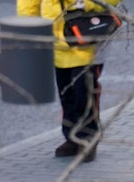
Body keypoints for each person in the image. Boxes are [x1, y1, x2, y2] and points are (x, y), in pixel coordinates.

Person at [17, 0, 118, 161]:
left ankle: (88, 138)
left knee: (84, 91)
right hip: (58, 37)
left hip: (85, 33)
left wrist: (85, 4)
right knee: (66, 91)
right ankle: (72, 136)